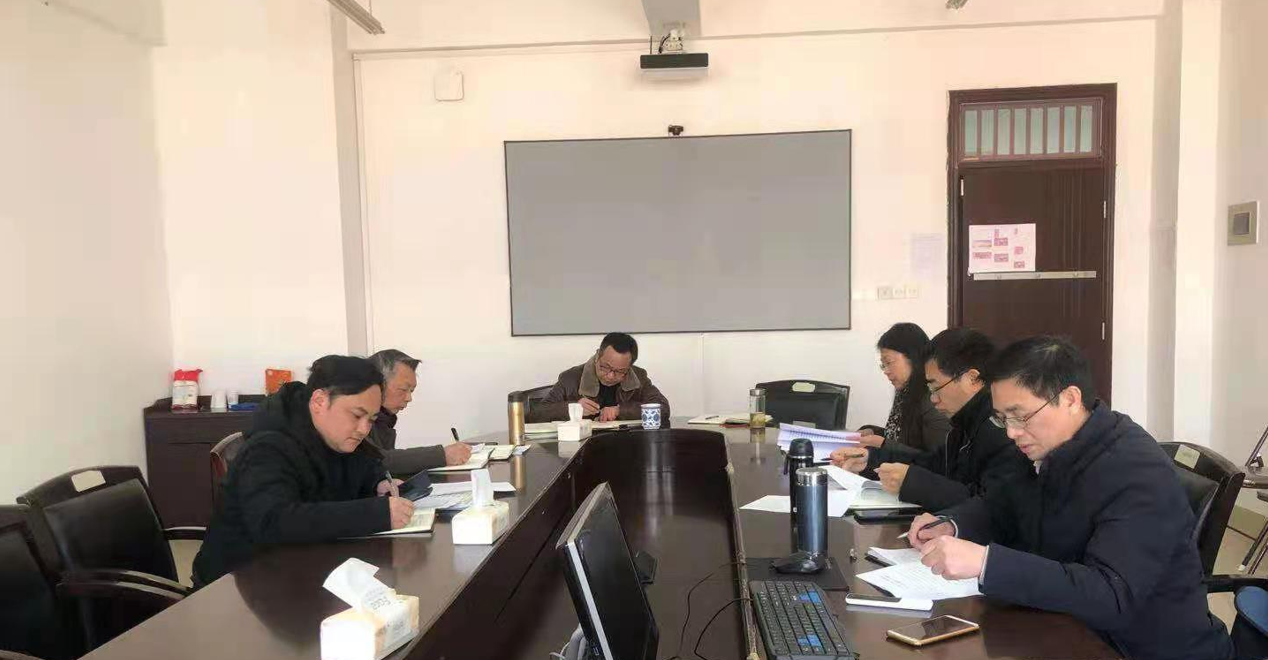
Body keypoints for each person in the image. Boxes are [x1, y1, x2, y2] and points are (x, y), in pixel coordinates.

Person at [908, 337, 1233, 660]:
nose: (1011, 432)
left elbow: (1112, 595)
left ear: (1070, 399)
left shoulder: (1137, 471)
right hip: (1064, 625)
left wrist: (986, 564)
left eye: (1020, 416)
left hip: (1137, 647)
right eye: (1002, 418)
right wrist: (952, 524)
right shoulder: (1043, 445)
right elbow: (1001, 505)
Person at [192, 355, 415, 587]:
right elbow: (274, 522)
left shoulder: (334, 435)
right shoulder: (268, 448)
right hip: (237, 584)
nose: (363, 429)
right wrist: (375, 514)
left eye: (371, 419)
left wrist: (378, 483)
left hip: (305, 568)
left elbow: (366, 465)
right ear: (319, 401)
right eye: (357, 415)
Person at [831, 328, 1029, 510]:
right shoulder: (964, 423)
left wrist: (913, 483)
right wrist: (871, 459)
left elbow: (992, 506)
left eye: (936, 387)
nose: (933, 398)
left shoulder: (1003, 429)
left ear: (972, 378)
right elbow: (933, 464)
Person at [366, 349, 472, 475]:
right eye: (403, 389)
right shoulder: (359, 419)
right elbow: (378, 461)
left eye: (411, 391)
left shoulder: (385, 418)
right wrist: (442, 455)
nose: (409, 398)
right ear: (377, 385)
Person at [527, 332, 671, 423]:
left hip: (626, 446)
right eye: (605, 367)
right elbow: (535, 414)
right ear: (597, 357)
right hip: (581, 450)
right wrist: (573, 408)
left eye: (620, 371)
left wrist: (620, 410)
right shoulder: (570, 378)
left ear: (629, 367)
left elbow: (663, 409)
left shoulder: (638, 377)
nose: (610, 376)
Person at [856, 323, 950, 453]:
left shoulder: (934, 399)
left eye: (889, 362)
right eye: (883, 365)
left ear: (913, 357)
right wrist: (873, 432)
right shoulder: (906, 390)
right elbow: (902, 438)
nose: (886, 371)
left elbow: (939, 459)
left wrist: (883, 444)